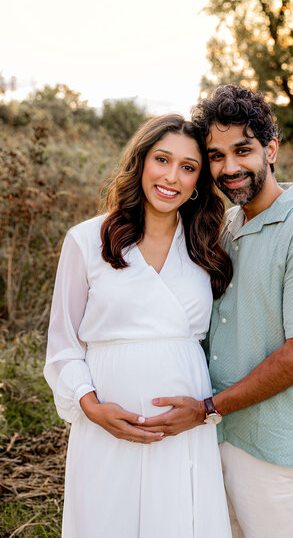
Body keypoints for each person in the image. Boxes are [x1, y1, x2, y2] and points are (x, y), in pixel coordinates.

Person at [141, 86, 293, 538]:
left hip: (277, 446)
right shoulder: (229, 226)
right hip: (220, 437)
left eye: (243, 150)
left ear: (270, 149)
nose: (229, 168)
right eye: (216, 156)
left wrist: (207, 408)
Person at [44, 114, 233, 538]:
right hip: (107, 428)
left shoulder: (208, 247)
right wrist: (91, 406)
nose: (171, 177)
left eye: (188, 167)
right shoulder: (87, 240)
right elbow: (63, 344)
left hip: (184, 429)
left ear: (199, 181)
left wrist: (207, 409)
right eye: (161, 159)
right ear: (140, 162)